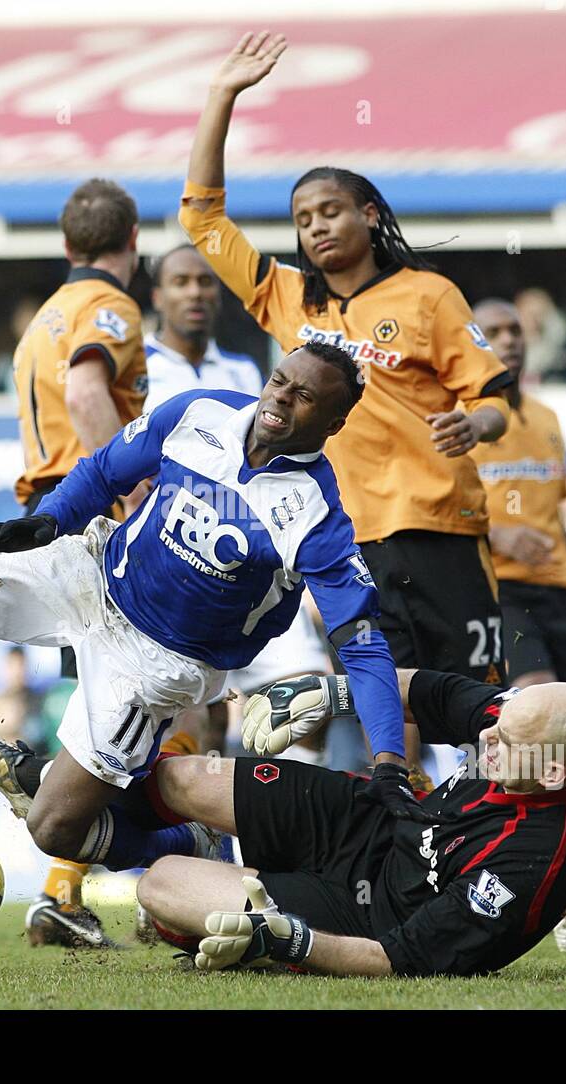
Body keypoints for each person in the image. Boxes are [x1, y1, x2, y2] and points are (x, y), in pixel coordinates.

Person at [0, 344, 424, 941]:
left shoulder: (315, 514)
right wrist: (52, 519)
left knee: (54, 829)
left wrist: (390, 761)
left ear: (336, 420)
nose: (281, 399)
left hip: (157, 662)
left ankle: (186, 841)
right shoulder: (200, 412)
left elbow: (362, 644)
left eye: (306, 397)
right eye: (280, 380)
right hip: (94, 568)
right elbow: (105, 471)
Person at [178, 34, 511, 786]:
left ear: (368, 213)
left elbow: (492, 398)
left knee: (481, 710)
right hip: (344, 537)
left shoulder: (429, 296)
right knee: (387, 711)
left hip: (439, 525)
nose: (317, 227)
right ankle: (410, 854)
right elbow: (202, 220)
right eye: (303, 218)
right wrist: (222, 95)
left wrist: (474, 425)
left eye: (331, 210)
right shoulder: (287, 298)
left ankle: (518, 856)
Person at [102, 670, 566, 977]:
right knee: (183, 778)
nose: (487, 737)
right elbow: (426, 690)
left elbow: (401, 959)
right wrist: (330, 694)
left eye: (506, 741)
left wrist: (293, 941)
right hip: (370, 819)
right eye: (494, 724)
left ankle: (205, 862)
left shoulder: (534, 860)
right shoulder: (517, 721)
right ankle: (75, 792)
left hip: (366, 918)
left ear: (554, 772)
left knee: (161, 884)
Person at [3, 178, 152, 946]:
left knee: (116, 698)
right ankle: (67, 874)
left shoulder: (41, 319)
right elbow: (89, 388)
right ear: (134, 240)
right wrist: (122, 488)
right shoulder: (112, 307)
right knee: (149, 692)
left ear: (67, 245)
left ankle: (71, 883)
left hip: (50, 515)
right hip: (87, 513)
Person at [145, 243, 333, 762]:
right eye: (181, 282)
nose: (196, 292)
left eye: (205, 281)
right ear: (158, 295)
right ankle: (198, 839)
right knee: (193, 715)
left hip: (250, 560)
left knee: (306, 699)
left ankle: (280, 836)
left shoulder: (248, 373)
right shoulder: (140, 369)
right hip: (175, 553)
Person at [470, 298, 566, 953]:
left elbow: (555, 519)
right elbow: (441, 509)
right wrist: (498, 528)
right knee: (537, 711)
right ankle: (536, 867)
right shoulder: (464, 422)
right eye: (494, 332)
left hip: (561, 590)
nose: (508, 341)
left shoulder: (551, 420)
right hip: (501, 589)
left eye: (515, 331)